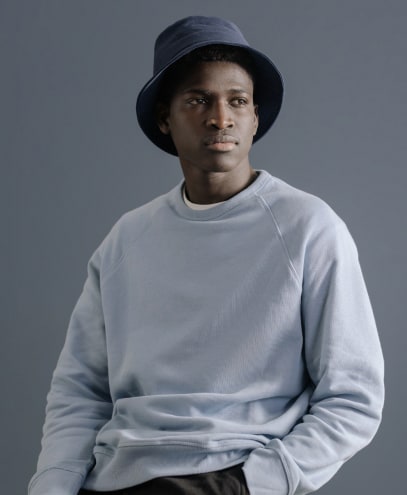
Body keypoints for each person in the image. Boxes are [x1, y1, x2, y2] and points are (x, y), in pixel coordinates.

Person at [28, 16, 384, 495]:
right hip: (115, 479)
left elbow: (353, 397)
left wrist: (247, 483)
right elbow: (79, 390)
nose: (221, 119)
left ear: (255, 117)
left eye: (237, 101)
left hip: (234, 476)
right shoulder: (126, 239)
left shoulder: (309, 229)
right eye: (198, 100)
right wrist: (53, 486)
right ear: (165, 118)